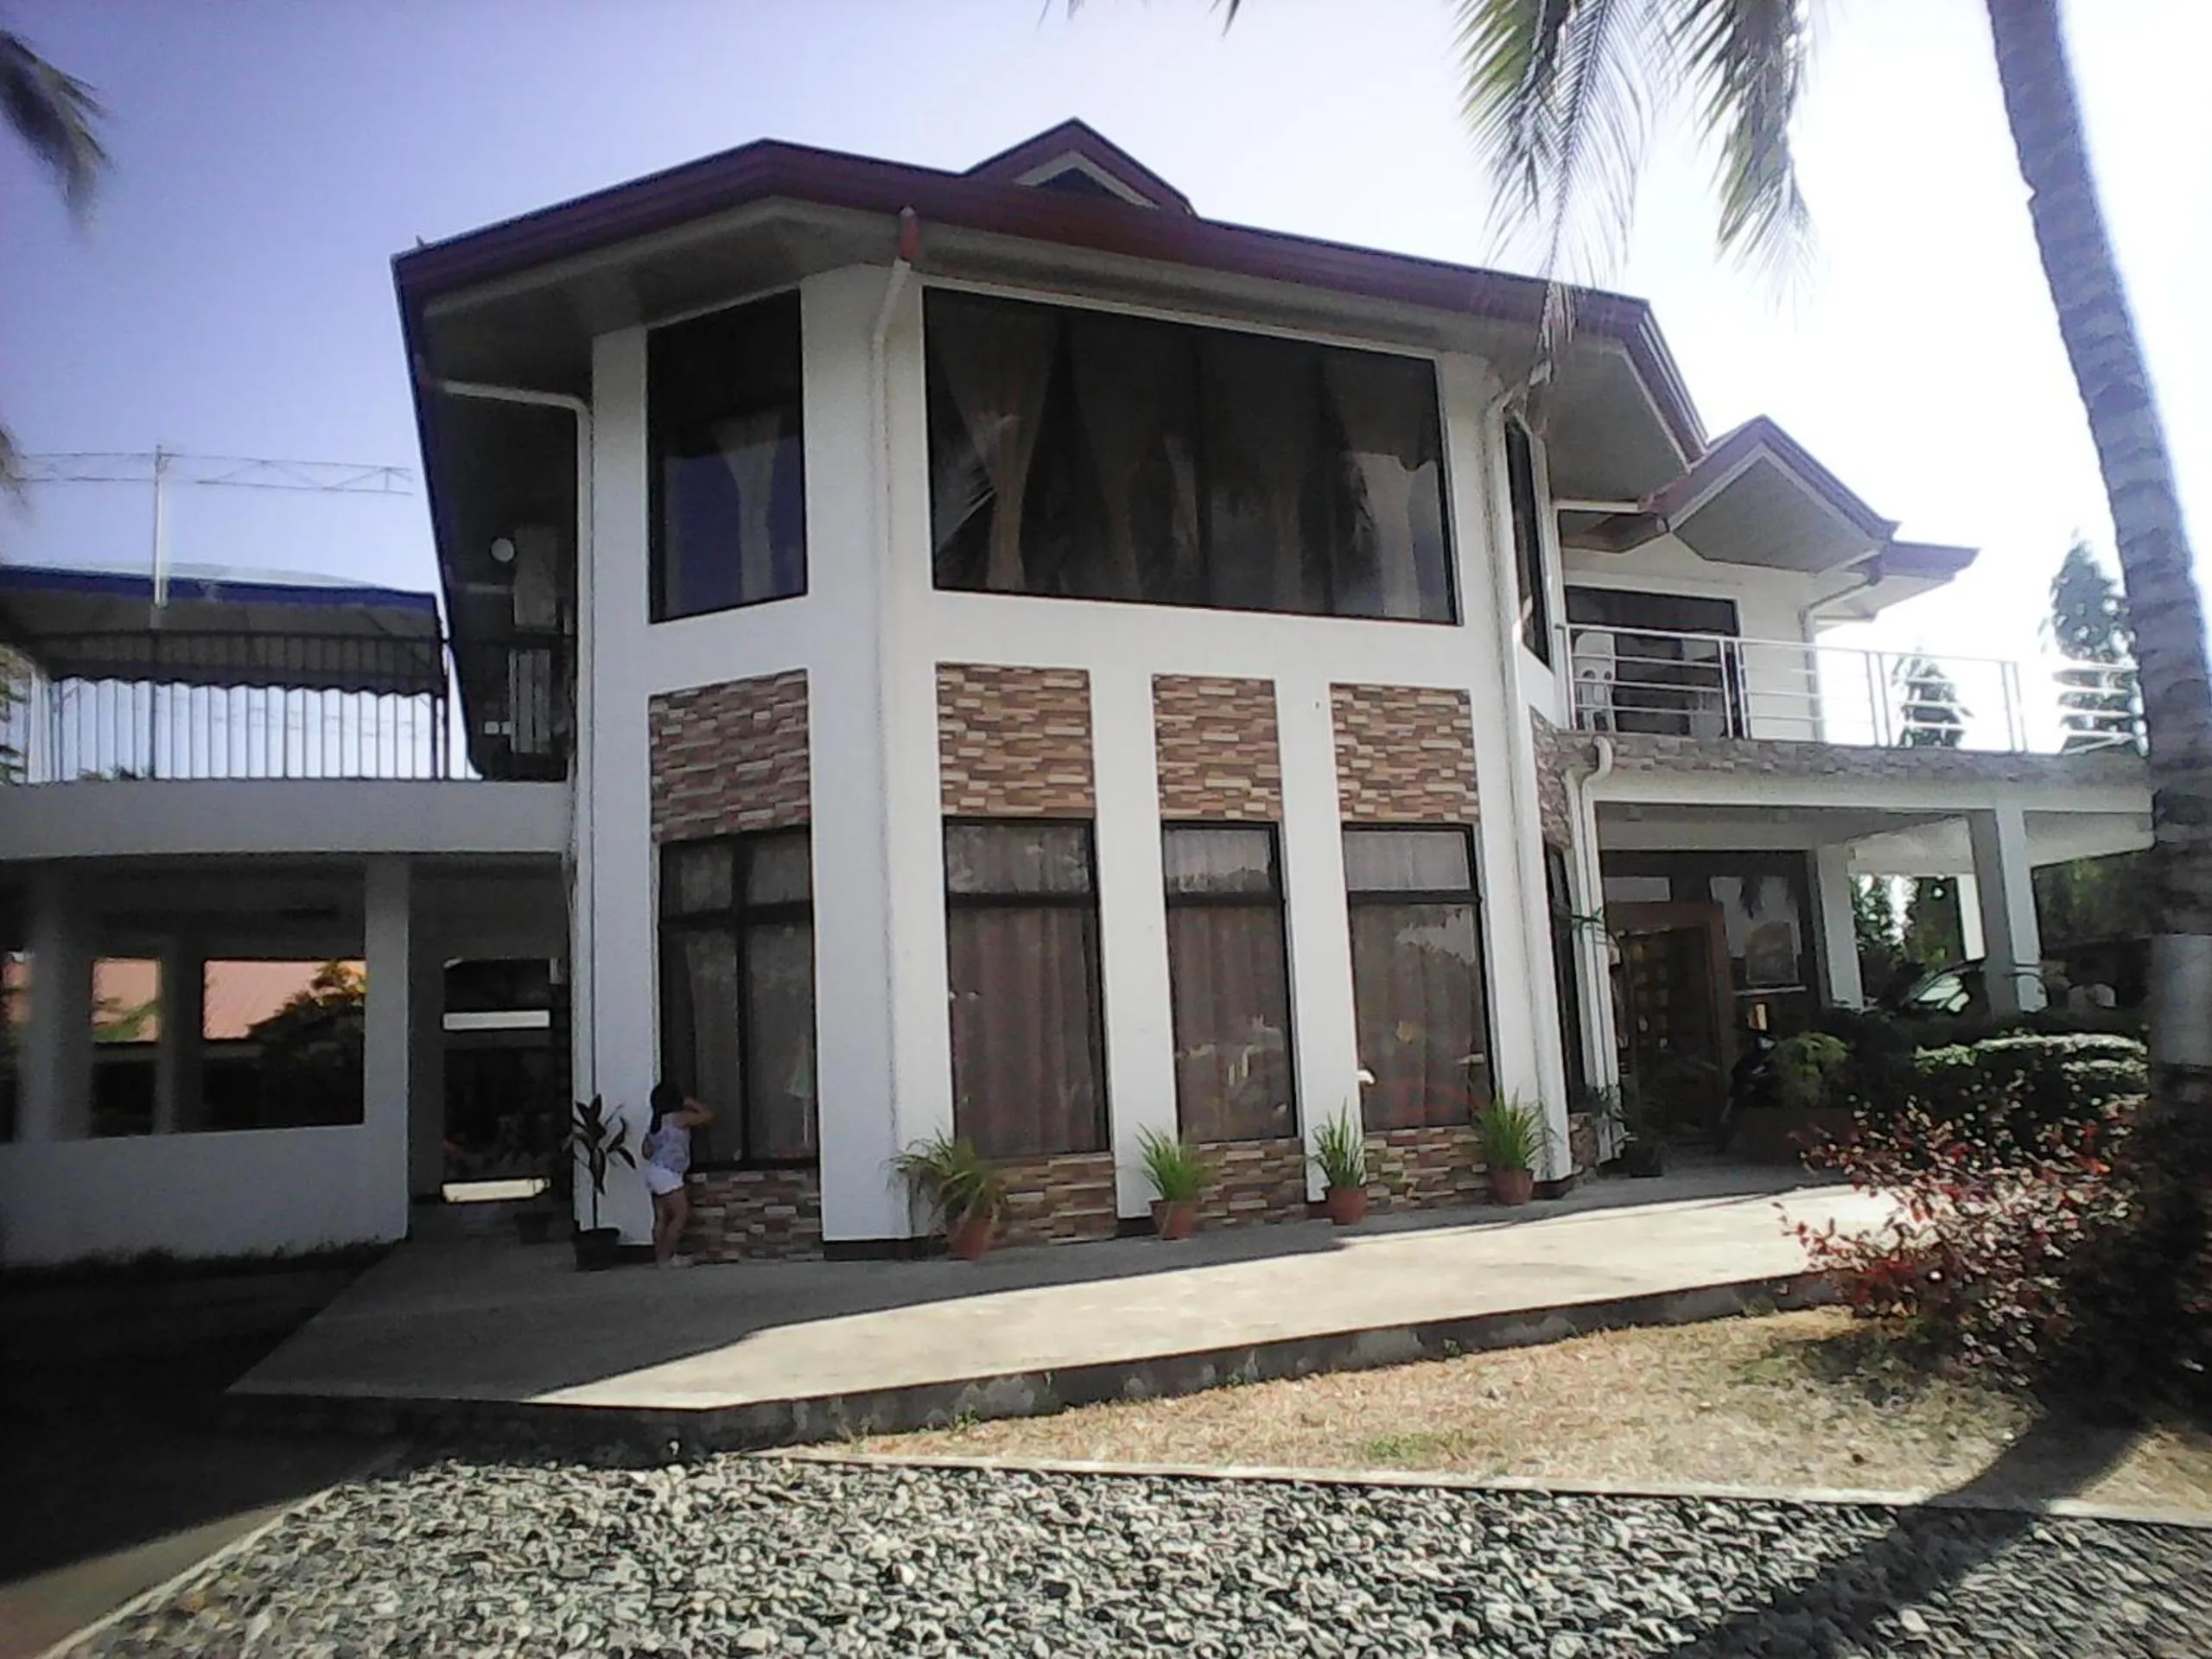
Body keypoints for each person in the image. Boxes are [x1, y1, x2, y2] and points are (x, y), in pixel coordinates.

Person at [642, 1081, 714, 1268]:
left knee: (662, 1218)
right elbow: (707, 1116)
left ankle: (660, 1257)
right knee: (680, 1214)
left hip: (654, 1172)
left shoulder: (655, 1123)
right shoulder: (678, 1118)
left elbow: (646, 1152)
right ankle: (667, 1258)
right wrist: (691, 1103)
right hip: (668, 1173)